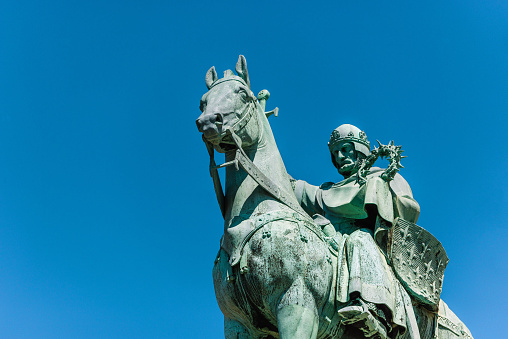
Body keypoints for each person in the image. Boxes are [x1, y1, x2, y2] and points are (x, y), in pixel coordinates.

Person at [293, 124, 420, 338]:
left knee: (360, 239)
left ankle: (376, 311)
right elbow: (294, 187)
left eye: (344, 149)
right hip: (331, 238)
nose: (340, 156)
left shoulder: (382, 176)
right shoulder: (327, 191)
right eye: (335, 153)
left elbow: (409, 211)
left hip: (368, 241)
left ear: (359, 149)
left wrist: (382, 191)